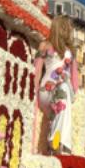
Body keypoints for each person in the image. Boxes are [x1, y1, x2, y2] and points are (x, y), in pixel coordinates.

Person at [34, 15, 79, 154]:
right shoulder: (44, 46)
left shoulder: (71, 52)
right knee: (63, 90)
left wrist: (74, 94)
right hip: (46, 91)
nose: (70, 31)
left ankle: (56, 144)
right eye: (68, 28)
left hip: (63, 93)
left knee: (64, 91)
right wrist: (35, 93)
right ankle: (60, 144)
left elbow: (75, 78)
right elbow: (36, 71)